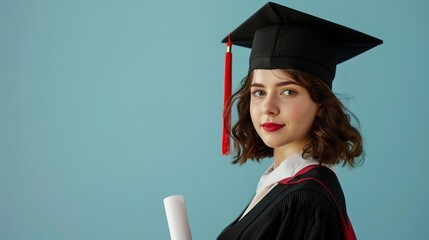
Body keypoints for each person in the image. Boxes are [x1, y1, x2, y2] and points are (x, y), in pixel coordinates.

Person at [217, 2, 382, 240]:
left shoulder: (308, 199)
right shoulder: (279, 186)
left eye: (288, 92)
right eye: (259, 92)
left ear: (322, 106)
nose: (268, 108)